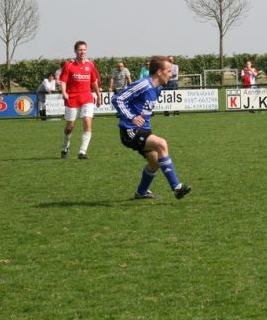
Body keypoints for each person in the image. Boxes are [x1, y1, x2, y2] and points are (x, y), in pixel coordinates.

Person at [112, 56, 192, 200]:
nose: (171, 74)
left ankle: (141, 192)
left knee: (154, 163)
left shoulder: (158, 88)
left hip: (144, 130)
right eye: (168, 71)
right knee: (161, 144)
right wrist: (132, 117)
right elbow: (117, 99)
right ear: (159, 72)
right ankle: (177, 187)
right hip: (130, 130)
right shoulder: (143, 84)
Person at [58, 40, 103, 159]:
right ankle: (65, 147)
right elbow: (63, 81)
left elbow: (94, 82)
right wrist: (64, 92)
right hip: (72, 98)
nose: (82, 52)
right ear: (75, 51)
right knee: (70, 127)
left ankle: (82, 152)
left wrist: (98, 96)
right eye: (80, 50)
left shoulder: (90, 65)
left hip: (87, 98)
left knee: (87, 121)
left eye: (84, 50)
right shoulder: (69, 65)